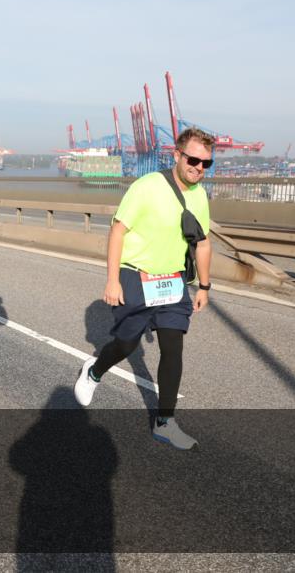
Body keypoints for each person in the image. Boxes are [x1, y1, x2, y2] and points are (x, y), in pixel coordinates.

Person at [74, 127, 214, 450]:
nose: (199, 168)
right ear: (177, 155)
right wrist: (111, 279)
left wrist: (203, 286)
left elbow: (203, 244)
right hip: (135, 276)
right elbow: (118, 231)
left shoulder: (200, 195)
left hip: (172, 281)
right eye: (193, 160)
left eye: (207, 163)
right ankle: (94, 371)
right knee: (125, 344)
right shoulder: (147, 187)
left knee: (173, 348)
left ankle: (165, 422)